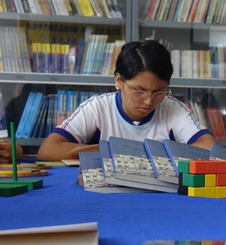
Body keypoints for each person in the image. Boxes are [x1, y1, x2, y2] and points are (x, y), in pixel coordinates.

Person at [37, 40, 215, 161]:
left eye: (159, 92)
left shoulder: (173, 109)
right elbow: (48, 150)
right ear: (118, 81)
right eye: (139, 91)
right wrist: (109, 152)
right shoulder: (98, 108)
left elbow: (210, 148)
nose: (148, 101)